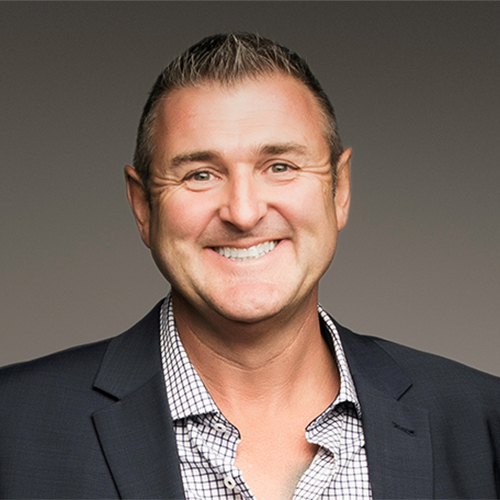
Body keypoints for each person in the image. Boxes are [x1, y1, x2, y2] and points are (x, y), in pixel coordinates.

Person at [0, 33, 499, 500]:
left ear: (339, 189)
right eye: (200, 174)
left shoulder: (483, 422)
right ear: (143, 206)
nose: (243, 213)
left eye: (280, 167)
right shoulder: (13, 427)